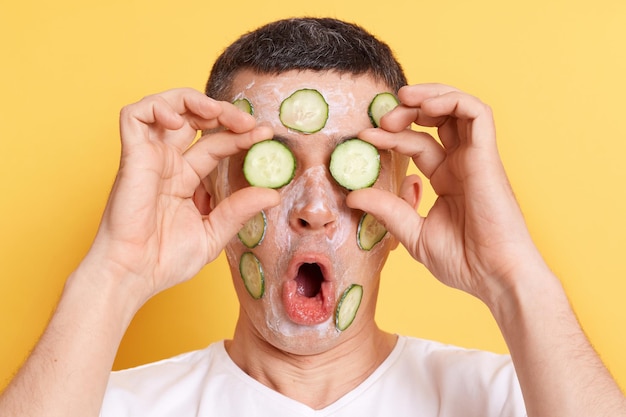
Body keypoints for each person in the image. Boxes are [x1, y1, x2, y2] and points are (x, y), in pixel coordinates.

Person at [0, 17, 624, 417]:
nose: (316, 208)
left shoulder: (523, 401)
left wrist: (513, 276)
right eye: (273, 163)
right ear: (208, 203)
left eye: (349, 165)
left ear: (405, 213)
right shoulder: (101, 406)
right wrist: (114, 274)